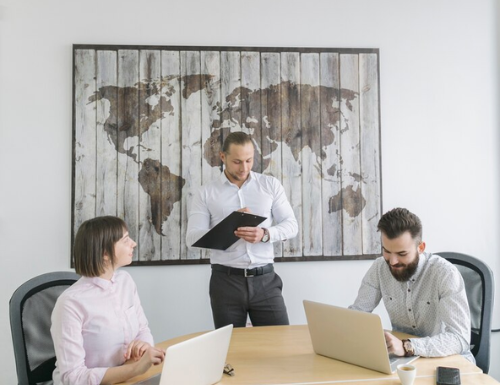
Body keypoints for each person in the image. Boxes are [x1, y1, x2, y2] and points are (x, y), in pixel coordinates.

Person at [186, 132, 298, 328]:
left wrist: (265, 234)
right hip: (225, 283)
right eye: (237, 162)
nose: (244, 168)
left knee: (280, 345)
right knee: (230, 350)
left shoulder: (270, 185)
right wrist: (228, 226)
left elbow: (291, 225)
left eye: (249, 160)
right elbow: (192, 239)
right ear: (223, 157)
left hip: (266, 281)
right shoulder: (206, 193)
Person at [51, 216, 165, 384]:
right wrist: (135, 368)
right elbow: (73, 378)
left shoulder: (125, 282)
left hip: (128, 379)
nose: (133, 243)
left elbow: (142, 329)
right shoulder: (70, 303)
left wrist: (144, 345)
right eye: (126, 240)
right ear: (105, 253)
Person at [349, 207, 473, 361]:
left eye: (402, 254)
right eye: (387, 251)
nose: (392, 262)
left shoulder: (445, 274)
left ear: (420, 248)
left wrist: (408, 346)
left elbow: (459, 338)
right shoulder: (379, 268)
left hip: (448, 358)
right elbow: (357, 314)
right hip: (403, 358)